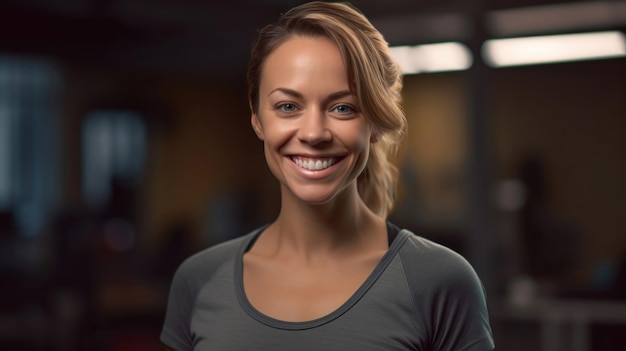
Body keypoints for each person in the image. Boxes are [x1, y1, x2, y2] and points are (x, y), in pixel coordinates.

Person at [160, 2, 494, 350]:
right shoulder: (198, 280)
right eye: (288, 107)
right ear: (258, 118)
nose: (314, 133)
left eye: (343, 108)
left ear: (375, 123)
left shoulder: (439, 282)